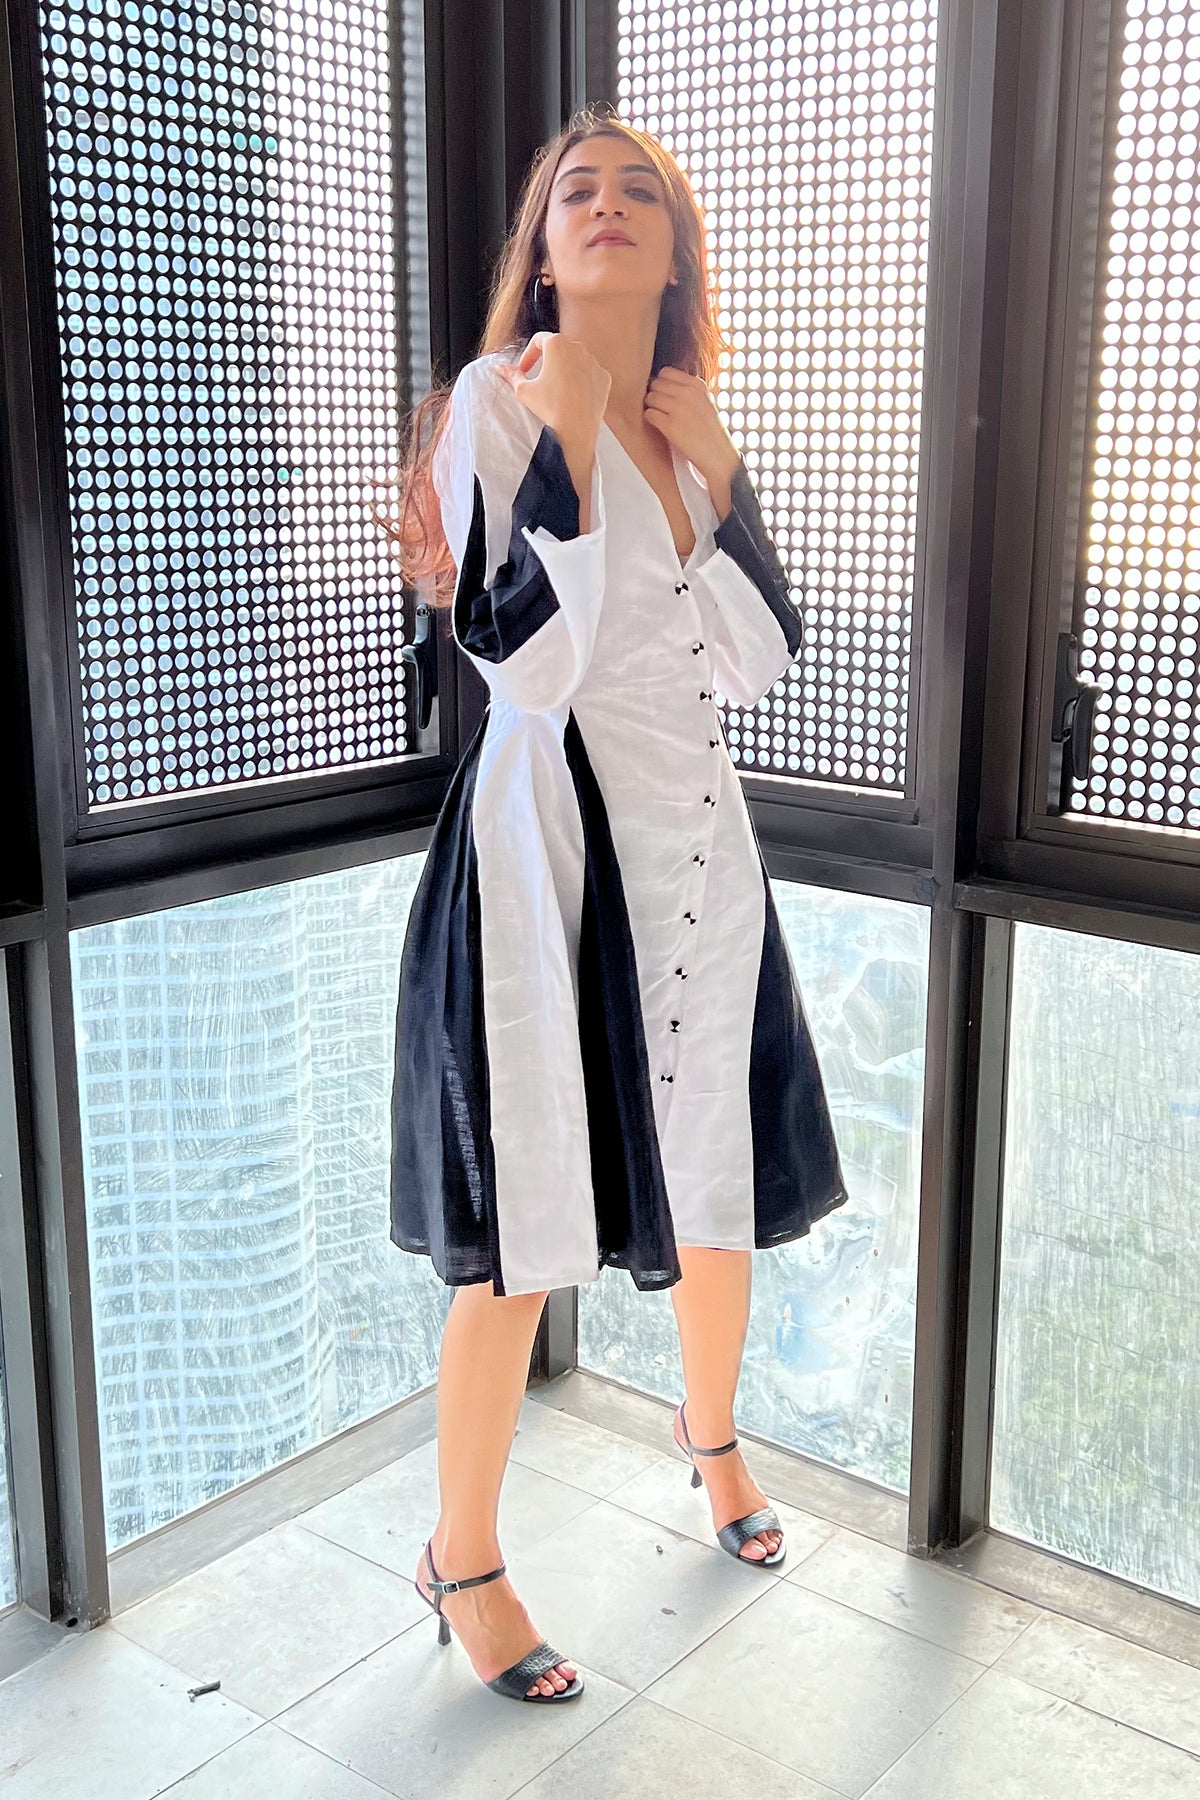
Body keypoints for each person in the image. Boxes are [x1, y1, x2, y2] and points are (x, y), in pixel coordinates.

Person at [378, 106, 850, 1704]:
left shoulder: (685, 420)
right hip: (547, 865)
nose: (605, 205)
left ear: (674, 245)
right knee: (520, 1231)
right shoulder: (497, 401)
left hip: (699, 850)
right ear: (543, 247)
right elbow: (524, 663)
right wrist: (569, 441)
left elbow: (758, 659)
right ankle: (462, 1554)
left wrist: (717, 469)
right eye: (574, 190)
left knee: (717, 1171)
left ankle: (713, 1445)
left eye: (638, 189)